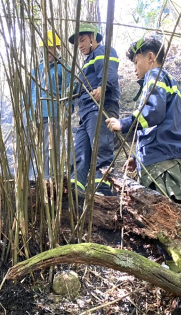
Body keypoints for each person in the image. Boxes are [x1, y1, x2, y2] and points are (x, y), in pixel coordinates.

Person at [106, 34, 181, 208]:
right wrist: (136, 156)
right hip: (173, 160)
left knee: (167, 219)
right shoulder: (167, 81)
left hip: (163, 166)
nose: (134, 68)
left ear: (150, 57)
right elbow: (163, 121)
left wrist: (123, 124)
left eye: (136, 61)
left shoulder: (154, 76)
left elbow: (153, 112)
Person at [69, 23, 120, 197]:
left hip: (101, 107)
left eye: (82, 40)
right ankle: (76, 190)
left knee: (101, 148)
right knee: (80, 152)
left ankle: (104, 190)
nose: (80, 46)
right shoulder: (87, 61)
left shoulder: (103, 51)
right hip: (86, 112)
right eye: (78, 43)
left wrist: (103, 87)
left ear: (92, 37)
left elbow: (108, 73)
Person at [30, 30, 70, 181]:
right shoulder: (38, 69)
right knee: (31, 147)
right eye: (45, 48)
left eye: (51, 47)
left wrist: (66, 113)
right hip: (35, 114)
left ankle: (47, 179)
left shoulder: (64, 68)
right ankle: (31, 179)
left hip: (52, 114)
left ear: (58, 48)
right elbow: (30, 92)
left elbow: (69, 93)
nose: (48, 51)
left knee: (49, 148)